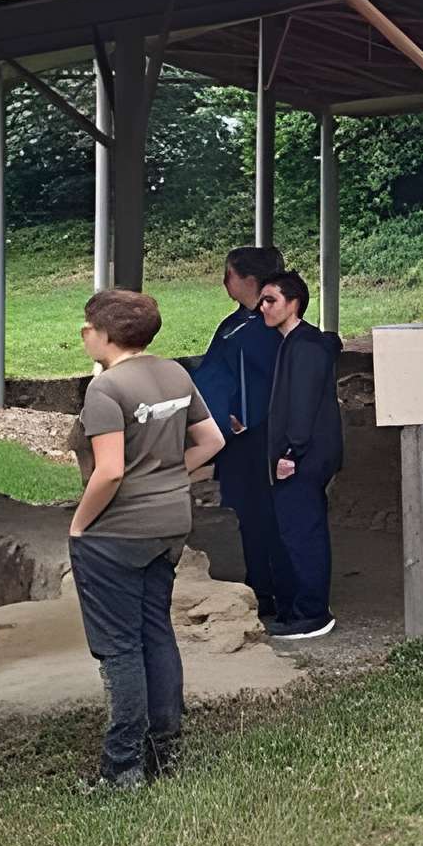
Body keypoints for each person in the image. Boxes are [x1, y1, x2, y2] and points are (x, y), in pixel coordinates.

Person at [69, 288, 225, 792]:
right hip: (171, 522)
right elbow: (213, 441)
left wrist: (79, 524)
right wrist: (165, 476)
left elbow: (109, 471)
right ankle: (165, 751)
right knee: (156, 632)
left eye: (88, 326)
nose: (83, 333)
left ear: (107, 334)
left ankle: (122, 767)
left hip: (117, 532)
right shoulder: (175, 373)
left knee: (118, 649)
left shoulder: (106, 390)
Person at [189, 245, 285, 624]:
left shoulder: (265, 324)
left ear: (247, 279)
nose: (223, 282)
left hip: (255, 436)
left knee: (265, 515)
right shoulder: (237, 322)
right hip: (232, 434)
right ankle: (260, 585)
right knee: (249, 515)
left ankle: (270, 590)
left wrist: (244, 415)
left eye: (228, 274)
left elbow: (271, 380)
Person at [255, 267, 344, 642]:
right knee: (293, 531)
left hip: (303, 458)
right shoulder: (295, 344)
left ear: (294, 304)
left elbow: (303, 405)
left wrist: (291, 451)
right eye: (261, 300)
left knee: (303, 533)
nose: (262, 307)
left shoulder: (305, 346)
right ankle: (297, 610)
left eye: (271, 300)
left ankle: (312, 613)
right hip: (302, 456)